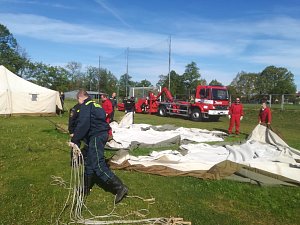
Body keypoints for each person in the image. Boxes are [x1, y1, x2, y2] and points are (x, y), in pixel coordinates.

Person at [69, 89, 128, 204]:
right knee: (89, 163)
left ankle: (120, 187)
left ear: (80, 98)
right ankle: (85, 188)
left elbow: (83, 124)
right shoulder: (96, 104)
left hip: (97, 136)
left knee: (98, 165)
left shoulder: (86, 105)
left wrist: (75, 140)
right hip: (100, 134)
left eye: (78, 100)